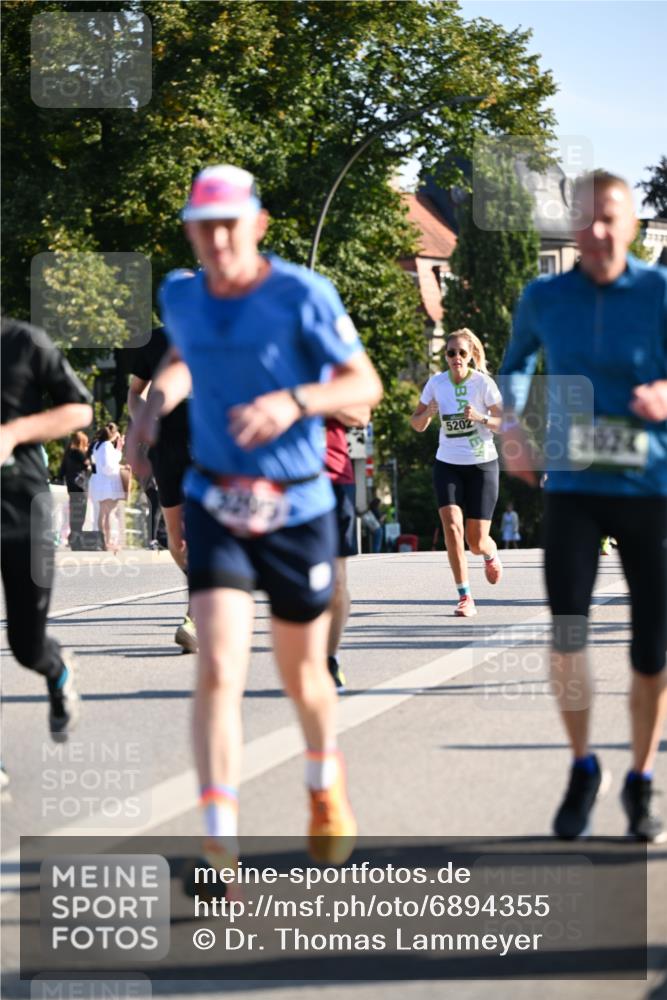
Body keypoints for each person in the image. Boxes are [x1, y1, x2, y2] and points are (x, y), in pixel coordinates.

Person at [126, 164, 383, 869]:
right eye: (202, 228)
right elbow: (184, 358)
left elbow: (365, 385)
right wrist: (153, 403)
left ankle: (323, 779)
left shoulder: (303, 294)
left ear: (257, 225)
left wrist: (293, 402)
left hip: (296, 501)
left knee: (303, 676)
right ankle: (217, 840)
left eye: (229, 226)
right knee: (218, 666)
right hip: (217, 499)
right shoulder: (181, 295)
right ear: (190, 231)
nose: (216, 240)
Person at [500, 170, 667, 842]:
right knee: (566, 630)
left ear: (631, 226)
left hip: (647, 487)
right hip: (570, 485)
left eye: (610, 218)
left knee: (651, 650)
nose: (597, 232)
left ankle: (640, 779)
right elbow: (513, 363)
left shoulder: (657, 292)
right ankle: (581, 766)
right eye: (586, 219)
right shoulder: (544, 296)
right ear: (572, 226)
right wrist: (510, 425)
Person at [1, 317, 93, 746]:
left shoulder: (24, 342)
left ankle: (56, 669)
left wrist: (15, 432)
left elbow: (80, 410)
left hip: (23, 509)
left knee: (25, 644)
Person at [410, 327, 504, 617]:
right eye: (451, 353)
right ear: (446, 356)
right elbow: (416, 423)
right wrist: (427, 414)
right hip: (447, 463)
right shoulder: (436, 383)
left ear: (472, 355)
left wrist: (481, 417)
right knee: (452, 526)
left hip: (481, 465)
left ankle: (489, 553)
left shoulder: (483, 384)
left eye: (462, 353)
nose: (456, 358)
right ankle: (465, 596)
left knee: (475, 542)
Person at [126, 327, 197, 652]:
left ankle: (197, 613)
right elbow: (135, 391)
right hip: (167, 447)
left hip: (211, 445)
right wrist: (142, 422)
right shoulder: (155, 339)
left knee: (203, 531)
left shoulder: (226, 330)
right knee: (176, 541)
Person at [324, 409, 370, 691]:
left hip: (336, 478)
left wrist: (310, 399)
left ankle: (329, 658)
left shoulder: (337, 365)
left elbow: (361, 414)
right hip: (283, 477)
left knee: (336, 583)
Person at [89, 423, 129, 553]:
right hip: (108, 484)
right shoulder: (106, 446)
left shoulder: (96, 445)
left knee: (102, 514)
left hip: (99, 482)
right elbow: (109, 467)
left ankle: (103, 542)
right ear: (114, 433)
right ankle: (108, 543)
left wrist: (117, 448)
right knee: (110, 514)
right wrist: (119, 448)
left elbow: (97, 465)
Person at [59, 431, 91, 543]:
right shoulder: (79, 453)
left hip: (71, 485)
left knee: (74, 510)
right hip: (80, 486)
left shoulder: (68, 453)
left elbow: (62, 470)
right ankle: (77, 535)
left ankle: (73, 534)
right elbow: (88, 466)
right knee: (81, 510)